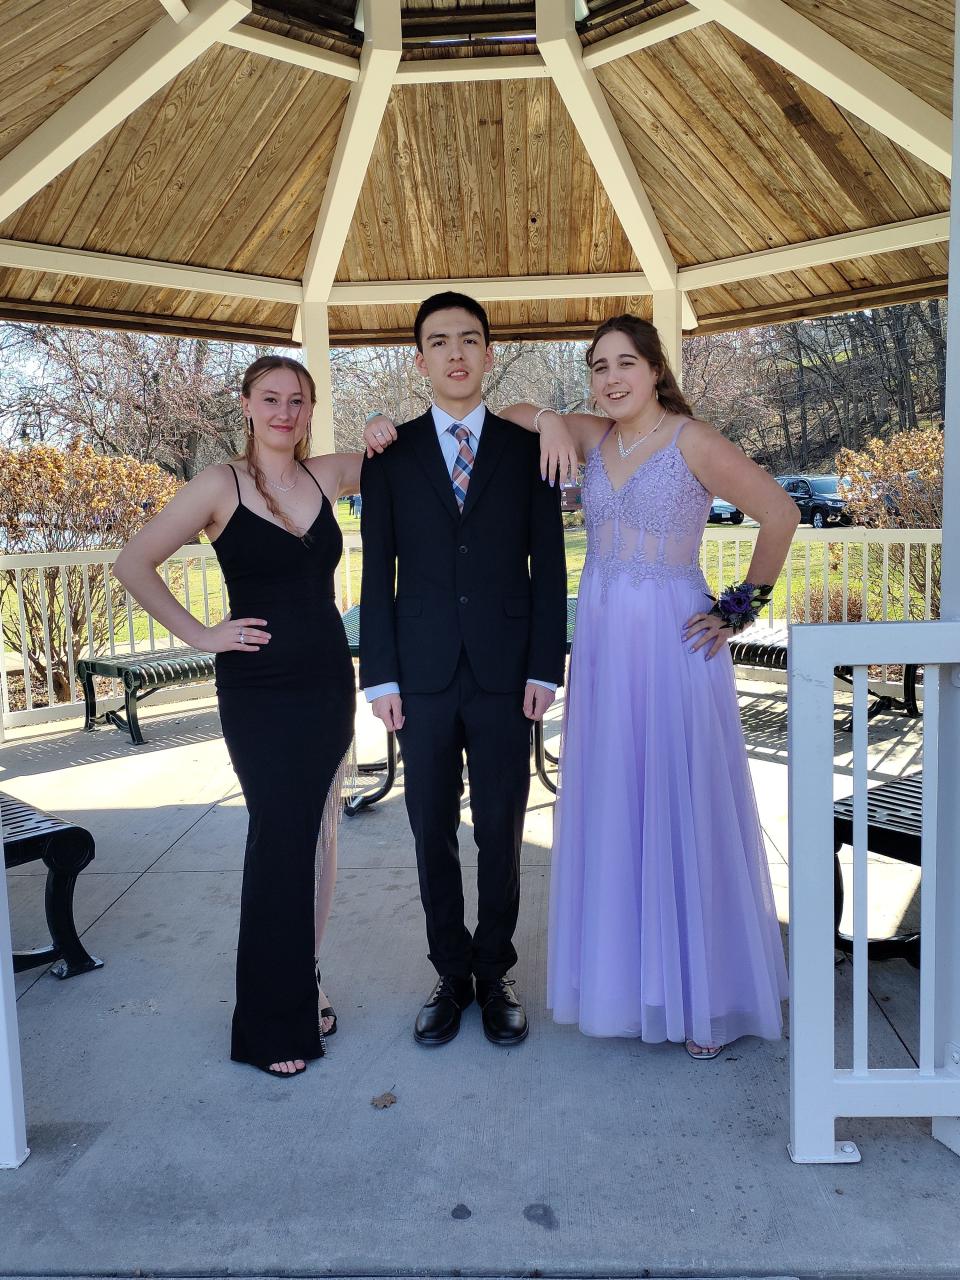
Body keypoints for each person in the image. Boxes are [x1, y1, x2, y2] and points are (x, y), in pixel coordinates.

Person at [367, 314, 796, 1060]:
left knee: (675, 802)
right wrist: (547, 422)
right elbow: (501, 413)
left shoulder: (692, 441)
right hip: (601, 643)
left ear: (656, 370)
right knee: (614, 808)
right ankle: (629, 982)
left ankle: (698, 994)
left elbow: (780, 513)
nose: (612, 377)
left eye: (626, 363)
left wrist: (736, 612)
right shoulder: (592, 438)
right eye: (598, 366)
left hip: (670, 635)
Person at [114, 356, 360, 1078]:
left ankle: (306, 976)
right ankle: (268, 1020)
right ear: (248, 405)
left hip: (325, 680)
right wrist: (202, 635)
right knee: (278, 837)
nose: (285, 412)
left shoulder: (330, 474)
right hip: (258, 687)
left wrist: (381, 429)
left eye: (298, 401)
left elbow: (416, 458)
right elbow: (134, 563)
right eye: (271, 399)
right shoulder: (220, 484)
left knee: (321, 831)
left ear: (311, 410)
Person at [359, 292, 567, 1048]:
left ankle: (495, 970)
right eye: (439, 341)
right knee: (430, 828)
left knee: (503, 829)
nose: (455, 353)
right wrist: (379, 678)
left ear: (488, 354)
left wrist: (548, 664)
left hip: (510, 674)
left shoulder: (528, 452)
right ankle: (450, 972)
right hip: (419, 677)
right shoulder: (389, 455)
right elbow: (374, 572)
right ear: (419, 360)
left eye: (469, 340)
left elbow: (550, 570)